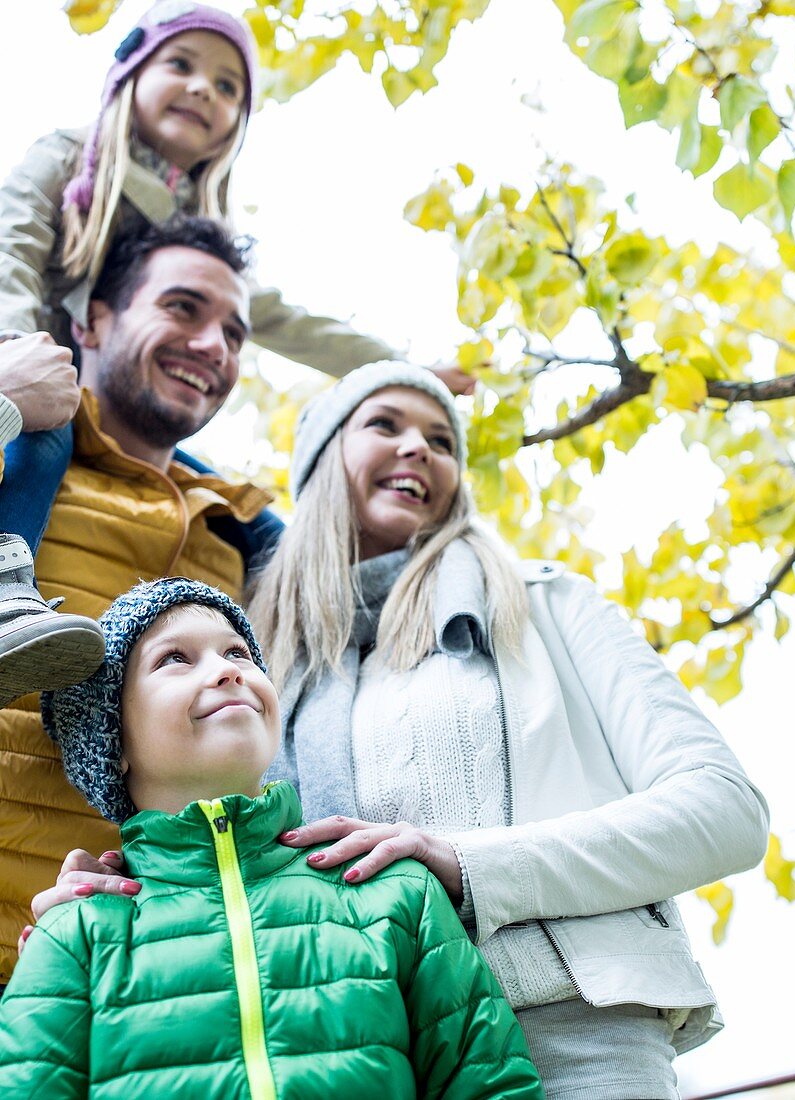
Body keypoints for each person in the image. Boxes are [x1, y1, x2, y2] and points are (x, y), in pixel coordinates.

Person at [242, 362, 769, 1099]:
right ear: (323, 459)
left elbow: (726, 812)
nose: (420, 449)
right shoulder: (264, 667)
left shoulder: (546, 605)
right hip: (362, 1053)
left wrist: (469, 864)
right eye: (384, 424)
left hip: (572, 1038)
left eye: (439, 439)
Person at [0, 1, 471, 705]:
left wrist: (399, 368)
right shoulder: (70, 157)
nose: (202, 90)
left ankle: (335, 613)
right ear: (130, 73)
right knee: (41, 446)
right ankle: (10, 589)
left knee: (245, 514)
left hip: (106, 412)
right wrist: (15, 352)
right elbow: (13, 241)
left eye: (227, 87)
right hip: (48, 379)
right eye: (182, 66)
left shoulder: (198, 223)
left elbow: (286, 320)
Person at [0, 576, 542, 1099]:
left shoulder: (395, 890)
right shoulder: (75, 933)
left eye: (237, 653)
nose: (226, 672)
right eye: (175, 659)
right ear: (112, 740)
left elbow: (490, 1083)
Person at [0, 214, 284, 983]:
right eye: (184, 309)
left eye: (234, 332)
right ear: (94, 318)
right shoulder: (18, 445)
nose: (213, 346)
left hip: (125, 994)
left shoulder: (238, 536)